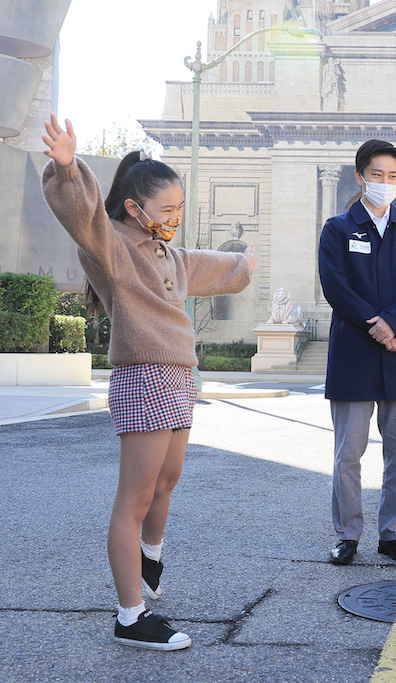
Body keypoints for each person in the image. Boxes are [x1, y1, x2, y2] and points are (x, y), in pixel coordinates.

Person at [40, 115, 255, 651]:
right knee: (133, 499)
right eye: (168, 211)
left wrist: (247, 262)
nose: (176, 219)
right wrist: (68, 169)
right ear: (135, 209)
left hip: (179, 376)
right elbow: (83, 213)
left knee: (168, 481)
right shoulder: (112, 248)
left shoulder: (170, 255)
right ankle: (130, 617)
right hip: (143, 376)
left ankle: (151, 558)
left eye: (180, 210)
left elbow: (221, 265)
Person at [318, 139, 396, 566]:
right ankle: (347, 535)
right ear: (360, 177)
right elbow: (336, 288)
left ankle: (393, 535)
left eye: (392, 176)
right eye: (377, 175)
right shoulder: (338, 229)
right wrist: (379, 326)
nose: (385, 183)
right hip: (355, 351)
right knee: (349, 453)